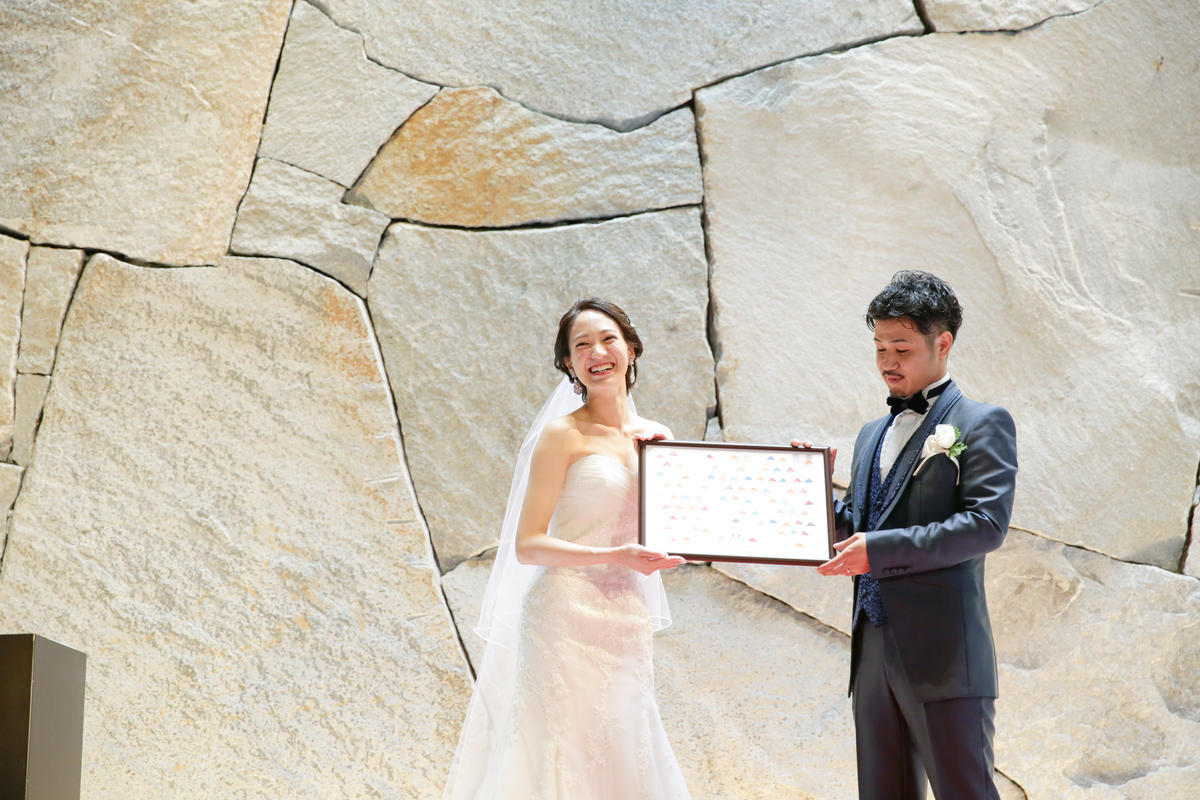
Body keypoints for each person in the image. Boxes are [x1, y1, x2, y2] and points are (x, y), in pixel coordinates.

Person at [443, 298, 690, 800]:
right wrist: (614, 556)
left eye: (608, 339)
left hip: (626, 616)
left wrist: (797, 475)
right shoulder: (562, 435)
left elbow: (685, 526)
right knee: (560, 750)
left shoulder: (659, 437)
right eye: (582, 346)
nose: (597, 352)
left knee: (627, 746)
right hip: (562, 616)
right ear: (568, 364)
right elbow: (528, 544)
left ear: (631, 348)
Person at [798, 271, 1017, 800]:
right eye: (879, 347)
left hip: (945, 656)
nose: (887, 361)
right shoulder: (870, 434)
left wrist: (878, 551)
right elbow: (859, 527)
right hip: (871, 653)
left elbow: (986, 525)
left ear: (943, 344)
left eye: (901, 348)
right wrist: (808, 489)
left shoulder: (982, 423)